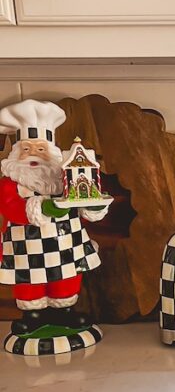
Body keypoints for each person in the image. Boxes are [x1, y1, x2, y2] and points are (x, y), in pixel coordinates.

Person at [0, 101, 108, 335]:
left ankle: (64, 311)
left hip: (66, 242)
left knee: (66, 275)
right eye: (26, 149)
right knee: (30, 279)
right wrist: (44, 207)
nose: (33, 155)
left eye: (41, 149)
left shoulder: (63, 178)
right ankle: (33, 315)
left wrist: (92, 207)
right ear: (16, 154)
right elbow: (10, 207)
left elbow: (79, 203)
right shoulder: (10, 183)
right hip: (26, 246)